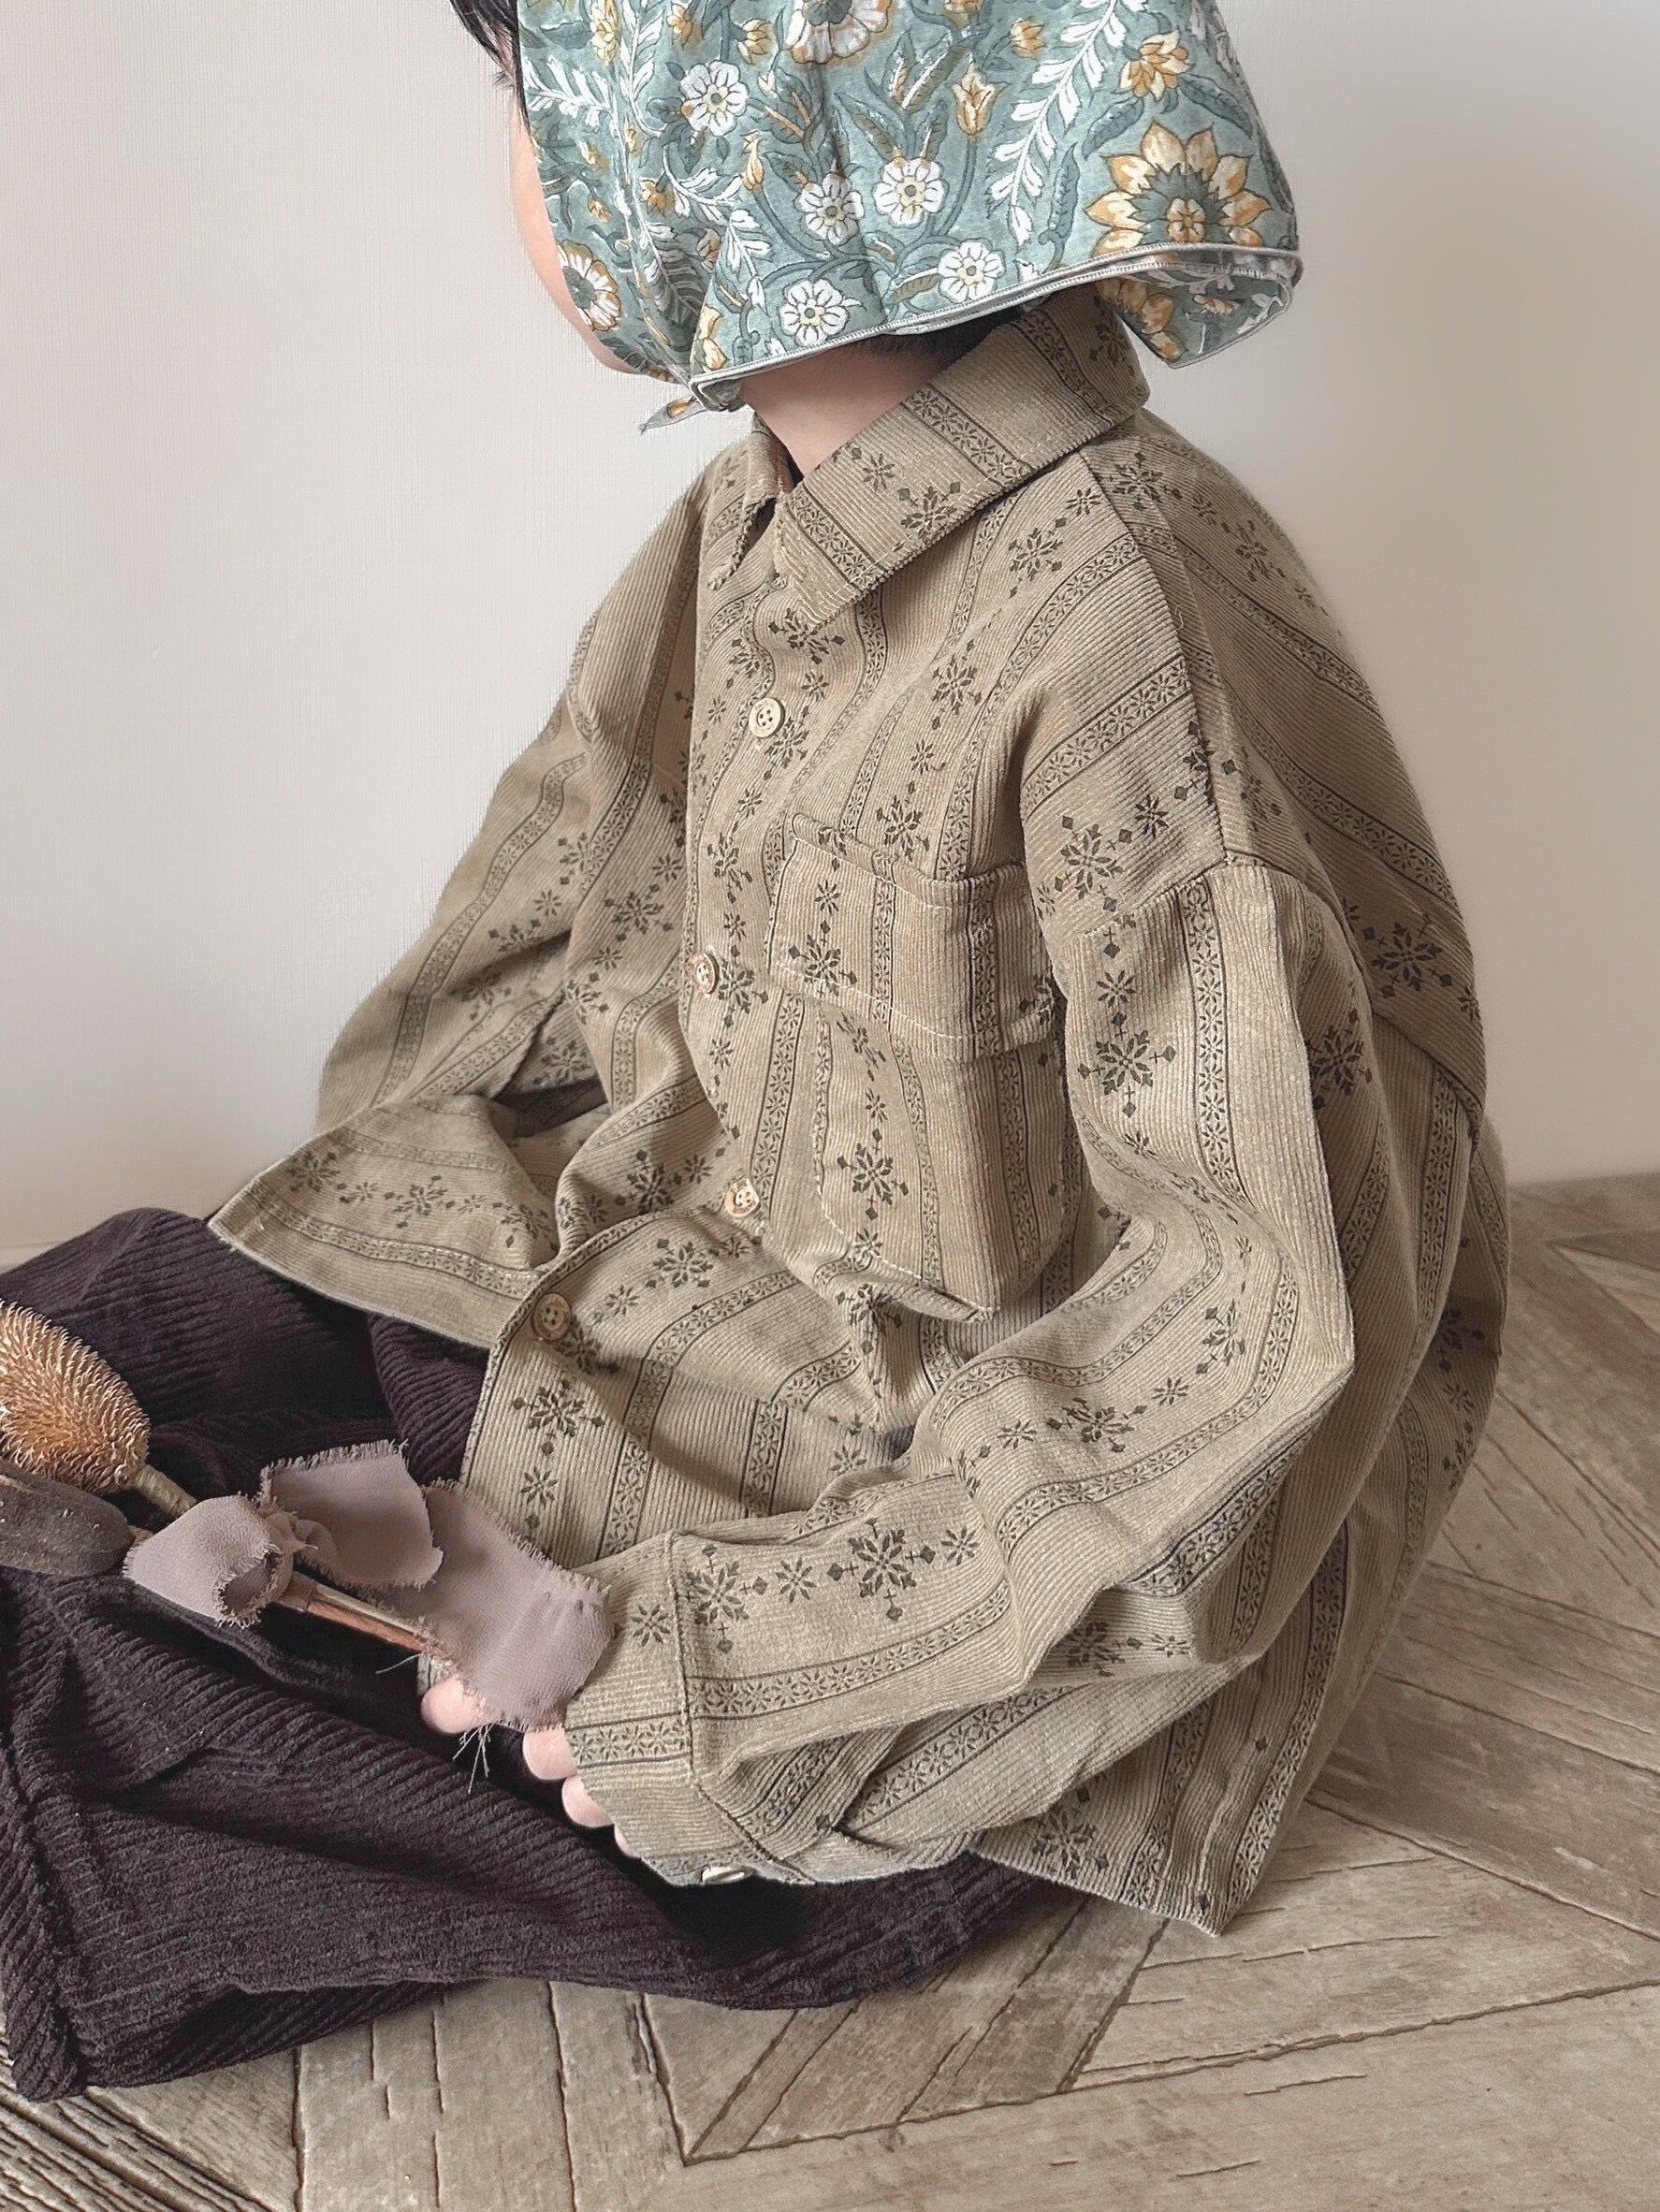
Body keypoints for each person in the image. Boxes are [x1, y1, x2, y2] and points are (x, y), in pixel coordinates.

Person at [0, 0, 1509, 2096]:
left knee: (92, 1771)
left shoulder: (1132, 628)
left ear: (728, 107)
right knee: (114, 1320)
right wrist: (369, 1273)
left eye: (534, 88)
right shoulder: (749, 525)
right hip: (644, 1297)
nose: (522, 159)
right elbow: (537, 948)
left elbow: (1264, 1319)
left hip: (902, 1562)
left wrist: (727, 1672)